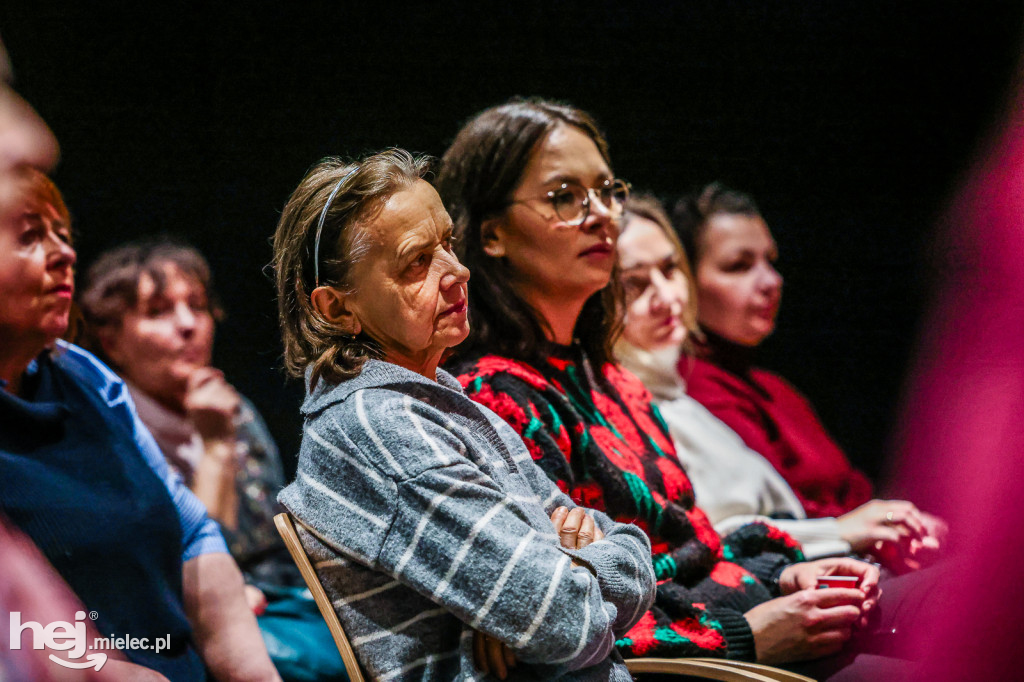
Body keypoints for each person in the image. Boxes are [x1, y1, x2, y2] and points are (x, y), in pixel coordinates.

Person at [435, 98, 918, 678]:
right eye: (565, 196)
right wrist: (746, 635)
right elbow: (553, 624)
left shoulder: (613, 383)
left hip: (755, 618)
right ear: (493, 236)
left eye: (607, 190)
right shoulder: (495, 398)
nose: (601, 215)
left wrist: (784, 573)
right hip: (702, 665)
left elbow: (695, 546)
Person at [272, 147, 656, 681]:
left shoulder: (440, 402)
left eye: (448, 243)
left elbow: (628, 553)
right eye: (417, 263)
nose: (459, 271)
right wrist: (573, 563)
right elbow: (564, 620)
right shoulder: (378, 427)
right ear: (338, 308)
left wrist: (572, 568)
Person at [0, 165, 279, 681]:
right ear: (111, 338)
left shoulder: (85, 379)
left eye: (64, 234)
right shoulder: (139, 395)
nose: (64, 253)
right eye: (30, 236)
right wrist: (104, 670)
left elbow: (194, 532)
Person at [616, 194, 939, 561]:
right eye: (738, 266)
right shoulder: (671, 394)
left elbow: (852, 495)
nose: (771, 281)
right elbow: (710, 540)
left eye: (670, 269)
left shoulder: (750, 391)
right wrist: (849, 533)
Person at [78, 240, 347, 681]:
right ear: (111, 340)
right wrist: (216, 446)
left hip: (280, 602)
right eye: (159, 311)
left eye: (197, 306)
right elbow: (180, 567)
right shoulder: (109, 434)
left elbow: (274, 540)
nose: (188, 325)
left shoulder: (230, 406)